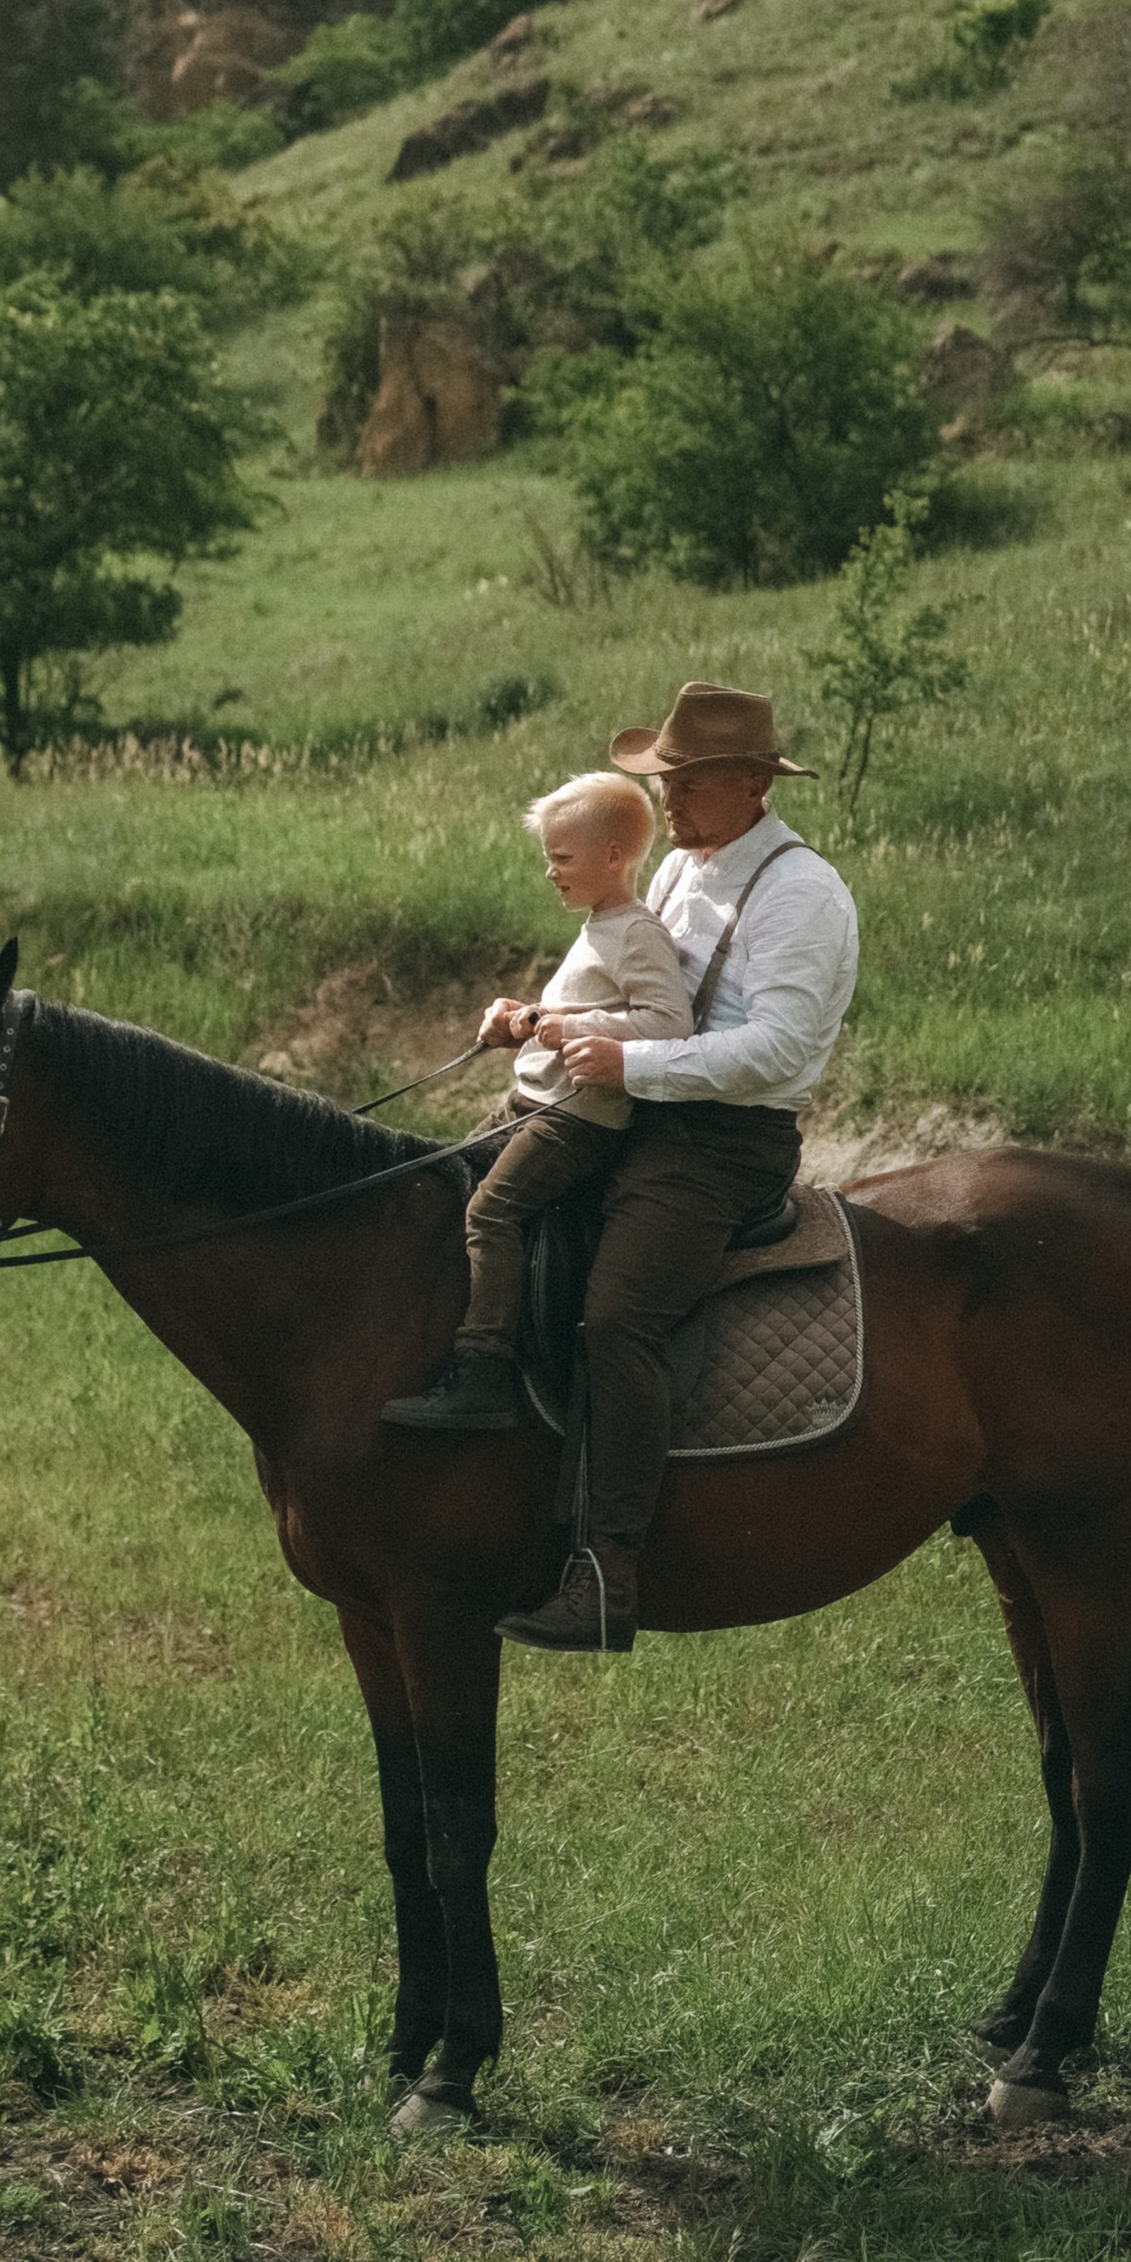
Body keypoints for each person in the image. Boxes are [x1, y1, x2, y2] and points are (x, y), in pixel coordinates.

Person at [454, 680, 861, 1656]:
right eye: (664, 781)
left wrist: (629, 1062)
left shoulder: (805, 894)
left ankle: (606, 1573)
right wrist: (549, 1021)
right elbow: (639, 993)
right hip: (632, 1113)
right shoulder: (682, 868)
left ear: (754, 782)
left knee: (619, 1316)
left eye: (687, 783)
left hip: (723, 1146)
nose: (667, 803)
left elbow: (776, 1050)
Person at [381, 770, 690, 1432]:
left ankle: (485, 1370)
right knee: (443, 1179)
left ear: (614, 857)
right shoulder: (600, 922)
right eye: (548, 857)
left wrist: (575, 1027)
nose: (549, 872)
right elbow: (597, 1005)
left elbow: (670, 1024)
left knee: (492, 1213)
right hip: (535, 1101)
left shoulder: (637, 933)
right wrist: (523, 1016)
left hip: (581, 1119)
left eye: (561, 858)